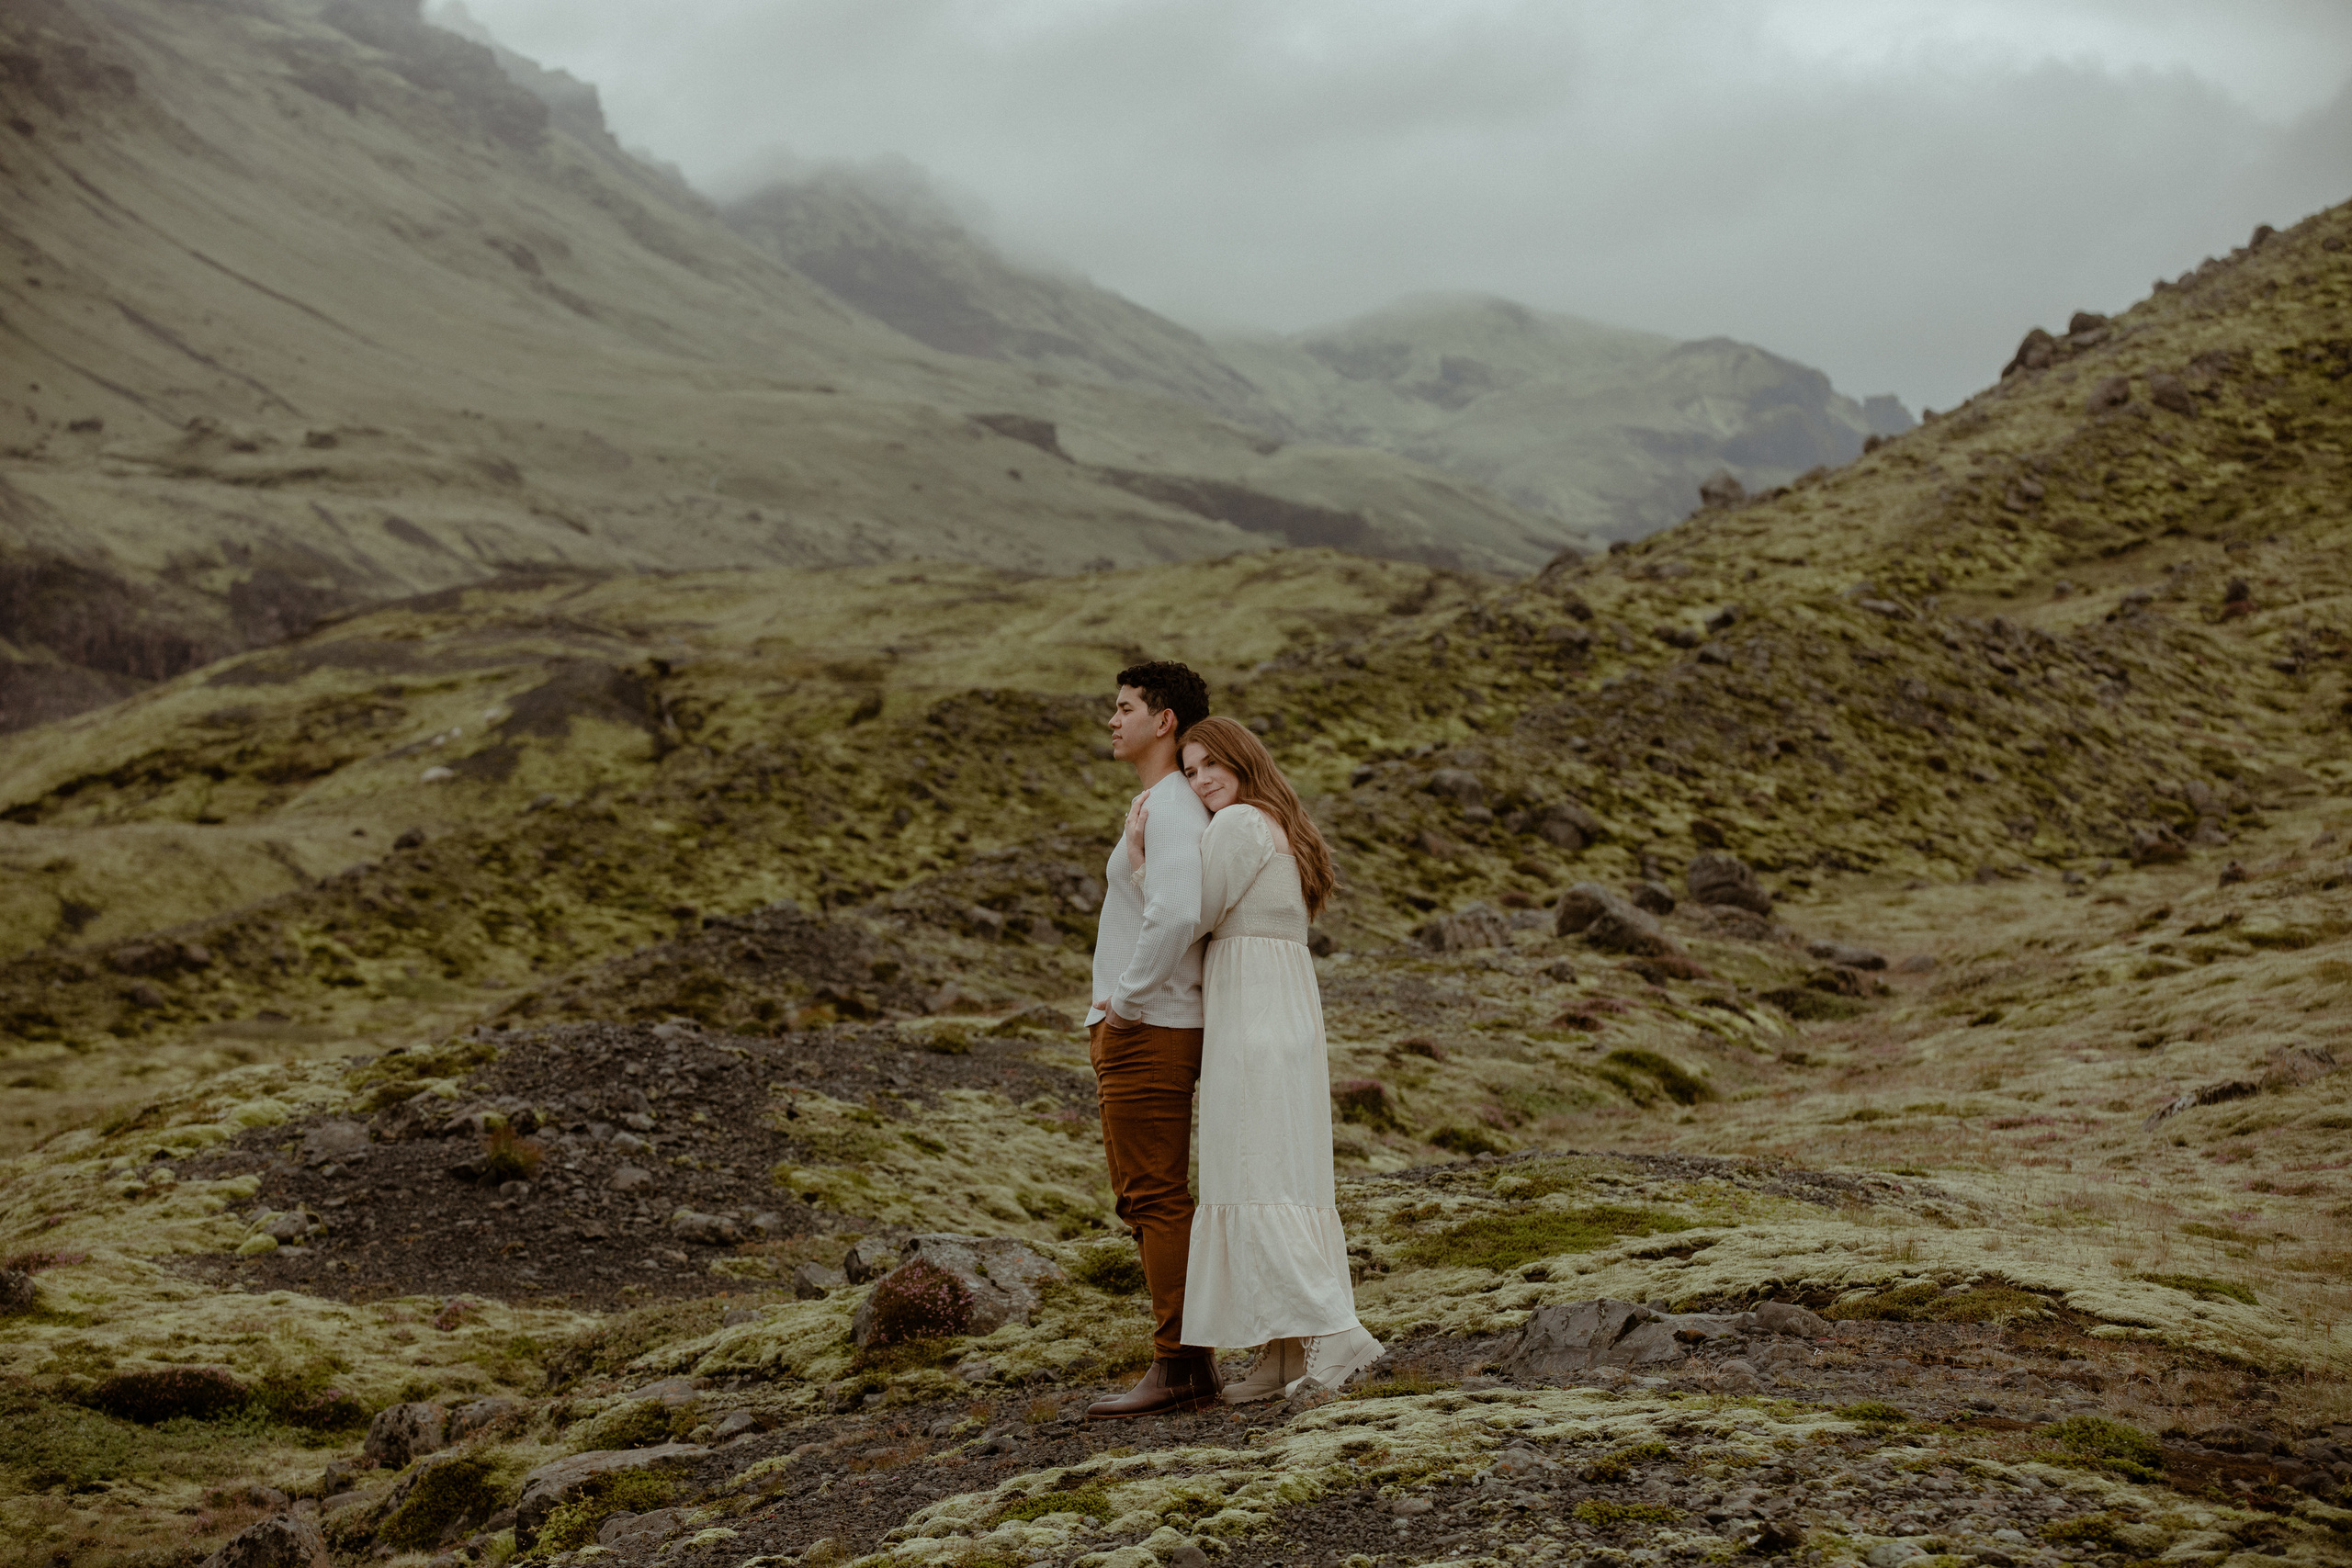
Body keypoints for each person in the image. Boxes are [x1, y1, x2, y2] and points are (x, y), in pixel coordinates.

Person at [1123, 715, 1384, 1403]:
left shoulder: (1239, 824)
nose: (1202, 779)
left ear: (1244, 762)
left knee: (1257, 1169)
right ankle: (1282, 1354)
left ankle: (1334, 1329)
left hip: (1254, 1014)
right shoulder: (1281, 823)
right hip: (1283, 1007)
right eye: (1190, 769)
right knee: (1281, 1171)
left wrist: (1144, 865)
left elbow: (1194, 910)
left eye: (1213, 764)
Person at [1081, 660, 1221, 1420]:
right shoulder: (1161, 805)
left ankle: (1180, 1366)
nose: (1113, 719)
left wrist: (1126, 1007)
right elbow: (1161, 903)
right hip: (1151, 1023)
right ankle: (1183, 1360)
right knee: (1146, 1195)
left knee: (1156, 1196)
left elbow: (1176, 917)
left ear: (1163, 720)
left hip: (1151, 1026)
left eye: (1125, 707)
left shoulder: (1169, 804)